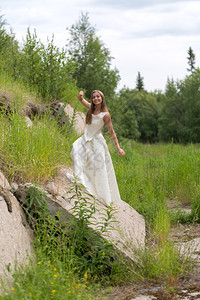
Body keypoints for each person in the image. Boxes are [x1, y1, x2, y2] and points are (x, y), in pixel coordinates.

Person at [66, 90, 125, 206]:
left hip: (97, 142)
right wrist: (80, 96)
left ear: (102, 98)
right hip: (86, 139)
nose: (96, 99)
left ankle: (101, 193)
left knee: (98, 169)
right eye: (93, 97)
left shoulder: (105, 115)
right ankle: (80, 179)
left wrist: (118, 148)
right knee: (75, 150)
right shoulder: (91, 109)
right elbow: (81, 100)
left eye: (98, 96)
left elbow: (112, 132)